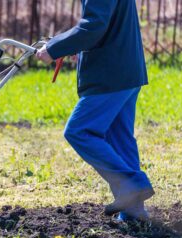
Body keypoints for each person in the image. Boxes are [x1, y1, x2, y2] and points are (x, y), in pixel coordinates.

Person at [36, 0, 154, 221]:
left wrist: (53, 48)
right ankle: (133, 212)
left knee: (79, 131)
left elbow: (93, 26)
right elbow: (105, 26)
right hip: (126, 69)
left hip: (110, 74)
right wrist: (75, 46)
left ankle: (130, 184)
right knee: (120, 139)